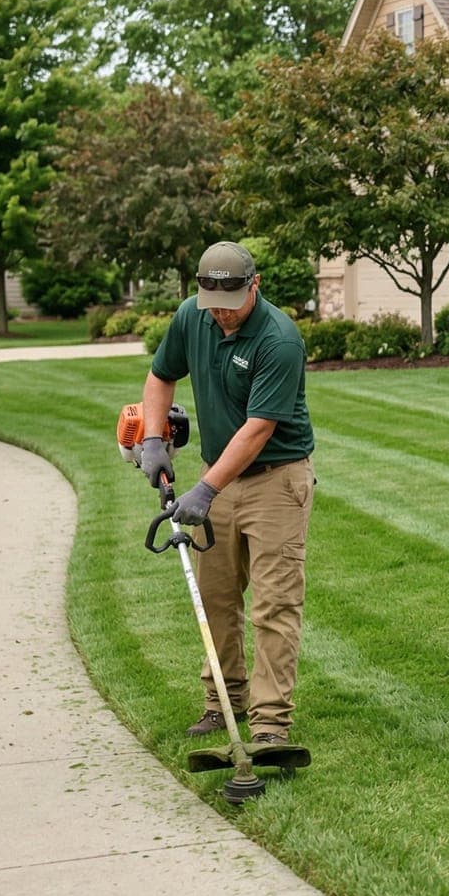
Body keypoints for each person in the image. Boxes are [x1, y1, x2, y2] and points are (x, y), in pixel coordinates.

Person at [135, 241, 316, 747]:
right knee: (214, 598)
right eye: (213, 302)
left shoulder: (278, 340)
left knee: (274, 604)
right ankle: (223, 702)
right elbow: (160, 376)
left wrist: (206, 489)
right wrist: (153, 439)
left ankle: (270, 724)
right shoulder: (192, 317)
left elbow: (258, 429)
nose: (222, 313)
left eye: (231, 302)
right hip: (218, 475)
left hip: (277, 481)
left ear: (253, 286)